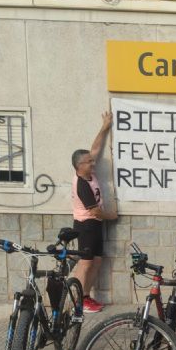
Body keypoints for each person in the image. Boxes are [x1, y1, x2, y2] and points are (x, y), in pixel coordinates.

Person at [71, 111, 117, 313]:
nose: (93, 162)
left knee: (97, 262)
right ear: (79, 166)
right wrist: (112, 216)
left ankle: (87, 296)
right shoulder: (81, 184)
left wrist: (105, 127)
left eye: (92, 161)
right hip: (86, 226)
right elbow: (97, 212)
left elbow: (96, 149)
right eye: (89, 162)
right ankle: (78, 301)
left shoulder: (89, 173)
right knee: (86, 263)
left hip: (95, 226)